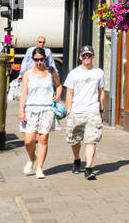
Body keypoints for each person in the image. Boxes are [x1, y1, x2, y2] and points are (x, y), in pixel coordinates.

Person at [18, 48, 62, 179]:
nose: (38, 62)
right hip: (31, 109)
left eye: (41, 59)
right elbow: (24, 93)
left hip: (47, 109)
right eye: (36, 60)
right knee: (28, 141)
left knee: (43, 139)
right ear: (33, 60)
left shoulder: (51, 72)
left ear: (45, 59)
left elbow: (59, 85)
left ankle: (39, 169)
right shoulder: (28, 74)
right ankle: (32, 158)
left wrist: (58, 95)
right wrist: (21, 111)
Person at [64, 46, 106, 180]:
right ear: (80, 57)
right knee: (75, 140)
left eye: (89, 55)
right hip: (76, 111)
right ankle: (77, 159)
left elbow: (101, 92)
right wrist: (68, 110)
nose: (87, 57)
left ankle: (89, 168)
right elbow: (69, 92)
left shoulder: (99, 72)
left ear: (93, 56)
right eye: (84, 55)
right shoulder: (74, 73)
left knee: (91, 140)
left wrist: (101, 110)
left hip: (93, 111)